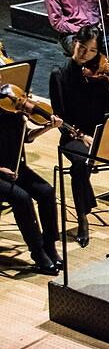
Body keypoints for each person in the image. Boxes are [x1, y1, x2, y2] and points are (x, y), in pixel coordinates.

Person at [49, 26, 109, 248]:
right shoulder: (59, 74)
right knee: (81, 163)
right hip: (74, 134)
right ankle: (83, 217)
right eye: (81, 47)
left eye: (90, 51)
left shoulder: (101, 72)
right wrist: (81, 135)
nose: (84, 54)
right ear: (74, 43)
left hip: (100, 132)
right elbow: (60, 116)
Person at [0, 76, 63, 275]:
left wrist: (47, 127)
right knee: (22, 198)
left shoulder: (12, 108)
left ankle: (50, 245)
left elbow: (26, 137)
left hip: (15, 167)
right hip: (0, 172)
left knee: (46, 191)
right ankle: (37, 252)